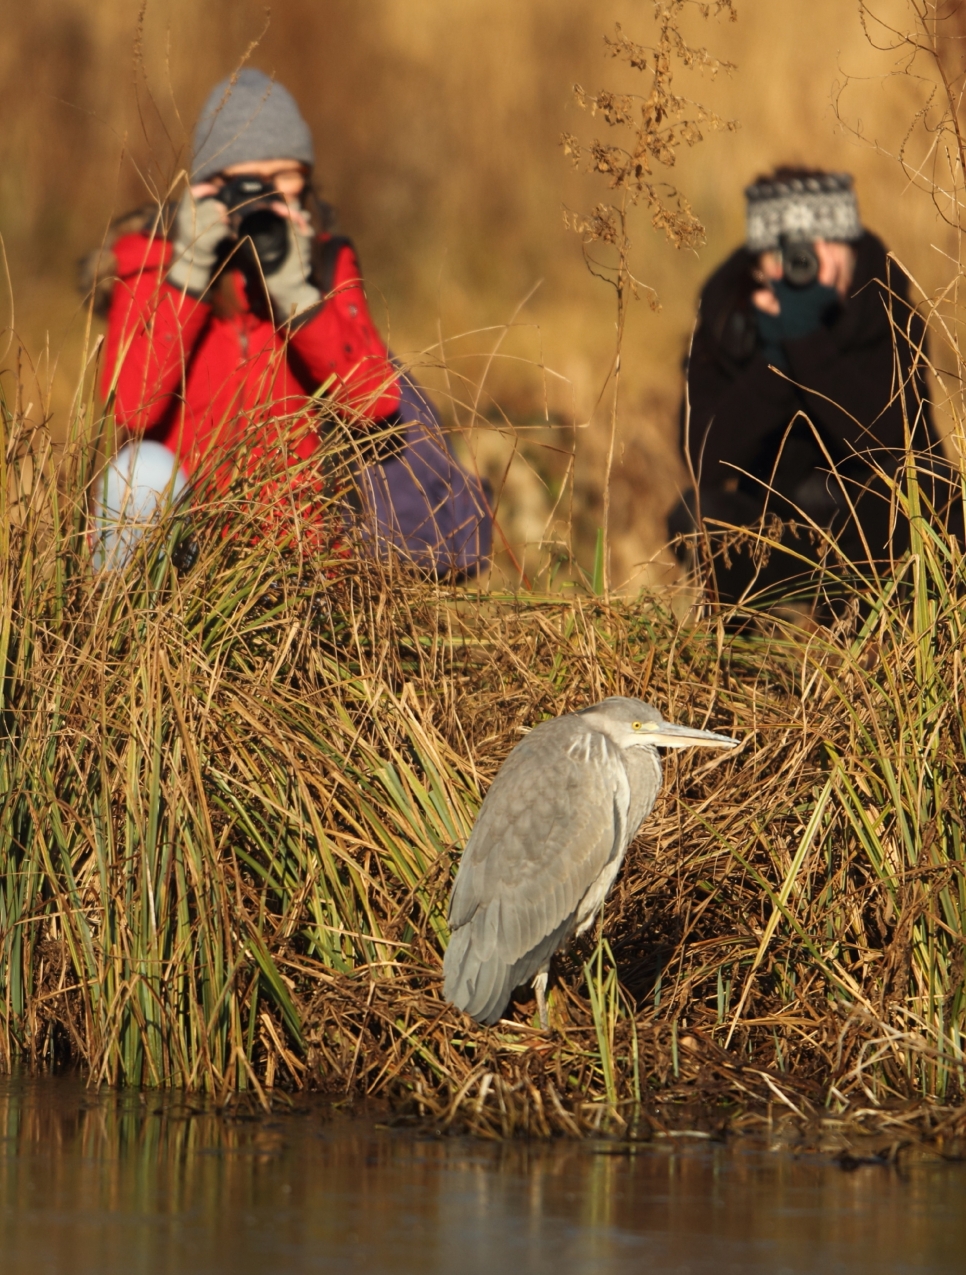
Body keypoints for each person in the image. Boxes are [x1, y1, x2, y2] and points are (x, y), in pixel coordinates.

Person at [95, 68, 490, 576]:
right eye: (248, 186)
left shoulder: (325, 268)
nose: (268, 204)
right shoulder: (151, 264)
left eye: (286, 183)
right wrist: (189, 272)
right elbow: (132, 409)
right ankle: (121, 642)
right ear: (206, 190)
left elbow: (375, 404)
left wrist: (298, 296)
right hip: (183, 538)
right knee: (139, 474)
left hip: (301, 539)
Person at [669, 167, 954, 606]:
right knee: (698, 516)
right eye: (791, 251)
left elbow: (900, 449)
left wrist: (807, 342)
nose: (809, 264)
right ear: (760, 266)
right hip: (777, 533)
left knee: (933, 494)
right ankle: (742, 659)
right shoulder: (728, 318)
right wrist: (776, 357)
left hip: (874, 532)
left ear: (852, 249)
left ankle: (889, 647)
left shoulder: (887, 309)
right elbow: (704, 457)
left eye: (826, 246)